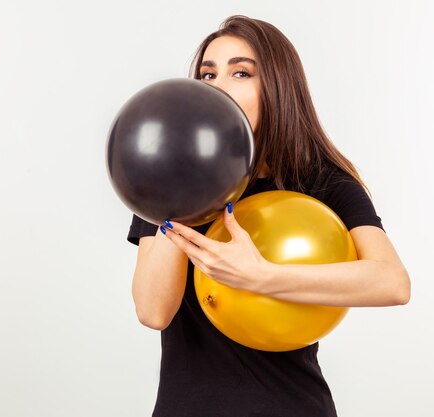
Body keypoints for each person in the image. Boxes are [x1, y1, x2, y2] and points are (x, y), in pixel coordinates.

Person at [127, 15, 411, 417]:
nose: (219, 87)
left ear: (277, 88)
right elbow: (153, 311)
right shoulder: (167, 184)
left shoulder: (319, 181)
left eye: (241, 72)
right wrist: (188, 184)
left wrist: (259, 276)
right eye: (208, 75)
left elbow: (392, 282)